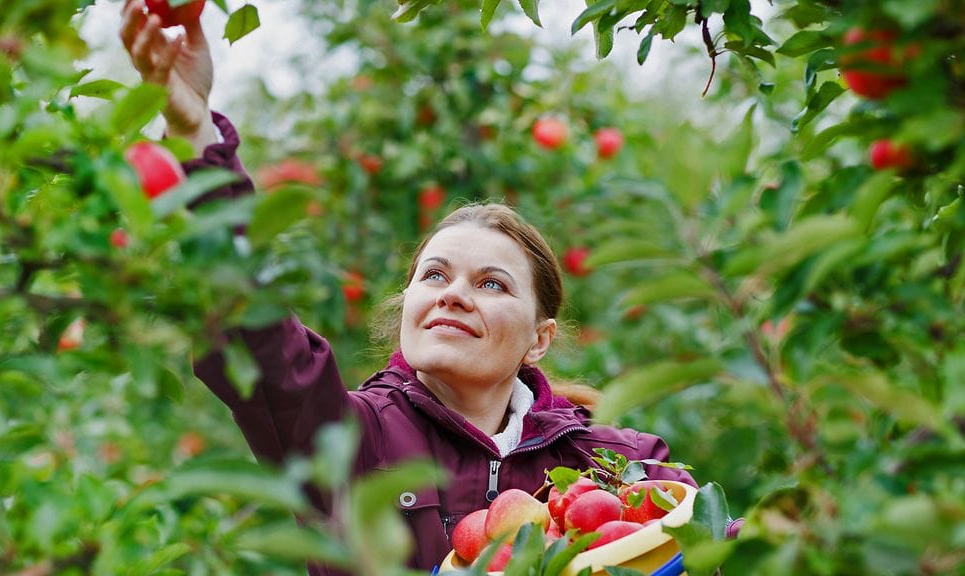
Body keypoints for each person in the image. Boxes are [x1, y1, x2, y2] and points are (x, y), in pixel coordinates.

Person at [119, 3, 705, 574]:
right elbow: (252, 332)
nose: (452, 294)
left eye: (492, 284)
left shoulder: (617, 466)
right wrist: (194, 131)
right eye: (435, 275)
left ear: (539, 339)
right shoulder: (349, 442)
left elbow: (724, 549)